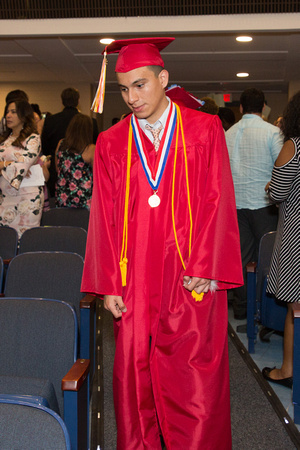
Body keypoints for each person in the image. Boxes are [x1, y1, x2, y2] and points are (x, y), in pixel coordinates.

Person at [81, 37, 243, 449]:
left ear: (163, 78)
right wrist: (107, 285)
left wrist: (208, 267)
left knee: (194, 384)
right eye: (124, 89)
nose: (132, 97)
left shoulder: (204, 130)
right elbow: (102, 214)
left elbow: (219, 198)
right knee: (134, 380)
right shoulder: (112, 143)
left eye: (140, 85)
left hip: (190, 274)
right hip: (133, 276)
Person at [225, 88, 283, 320]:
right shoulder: (272, 133)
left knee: (240, 258)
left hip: (236, 206)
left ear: (240, 108)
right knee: (267, 259)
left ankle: (242, 309)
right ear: (264, 107)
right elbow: (280, 169)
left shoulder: (228, 133)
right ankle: (264, 312)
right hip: (264, 206)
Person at [262, 91, 300, 389]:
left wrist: (270, 185)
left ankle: (287, 371)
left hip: (296, 239)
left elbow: (277, 192)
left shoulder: (293, 146)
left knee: (296, 309)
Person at [0, 100, 44, 237]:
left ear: (23, 115)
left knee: (25, 239)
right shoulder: (4, 140)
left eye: (13, 112)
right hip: (5, 197)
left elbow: (23, 164)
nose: (8, 115)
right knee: (5, 240)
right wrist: (12, 163)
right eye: (7, 112)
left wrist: (3, 164)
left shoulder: (33, 139)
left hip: (28, 198)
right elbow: (20, 165)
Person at [55, 113, 94, 209]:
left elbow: (58, 168)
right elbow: (97, 176)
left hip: (63, 196)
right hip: (84, 198)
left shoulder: (61, 143)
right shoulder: (90, 149)